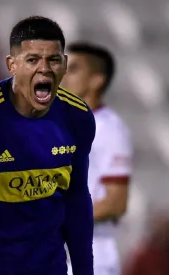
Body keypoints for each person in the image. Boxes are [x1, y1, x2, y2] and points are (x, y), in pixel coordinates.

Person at [0, 16, 95, 275]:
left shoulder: (77, 117)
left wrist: (84, 270)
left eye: (54, 60)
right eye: (33, 60)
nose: (45, 69)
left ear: (65, 65)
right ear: (11, 65)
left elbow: (77, 198)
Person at [61, 42, 132, 275]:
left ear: (96, 80)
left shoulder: (109, 129)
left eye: (73, 69)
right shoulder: (62, 125)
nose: (63, 75)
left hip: (93, 254)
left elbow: (115, 203)